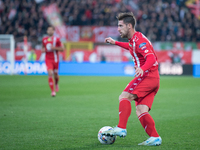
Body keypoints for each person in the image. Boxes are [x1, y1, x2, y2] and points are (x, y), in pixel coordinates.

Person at [102, 12, 162, 146]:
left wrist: (143, 68)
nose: (118, 28)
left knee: (124, 96)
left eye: (120, 25)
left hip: (147, 76)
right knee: (141, 110)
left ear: (129, 26)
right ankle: (155, 137)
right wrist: (115, 42)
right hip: (154, 79)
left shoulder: (139, 39)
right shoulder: (134, 40)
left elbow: (151, 57)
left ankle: (121, 127)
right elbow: (130, 47)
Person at [42, 26, 64, 97]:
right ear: (47, 31)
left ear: (53, 31)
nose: (50, 31)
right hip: (48, 59)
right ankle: (52, 91)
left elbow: (62, 49)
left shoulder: (57, 39)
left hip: (55, 59)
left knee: (56, 75)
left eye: (51, 30)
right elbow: (43, 47)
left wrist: (54, 48)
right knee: (50, 73)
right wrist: (43, 50)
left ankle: (56, 83)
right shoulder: (44, 39)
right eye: (49, 30)